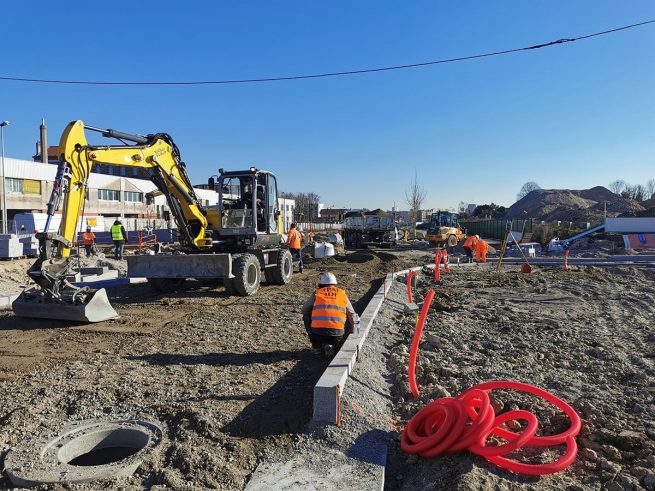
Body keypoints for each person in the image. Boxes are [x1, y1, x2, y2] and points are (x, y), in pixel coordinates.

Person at [301, 272, 356, 355]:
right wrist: (354, 331)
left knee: (306, 316)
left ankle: (316, 347)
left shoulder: (317, 293)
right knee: (348, 316)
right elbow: (353, 314)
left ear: (321, 283)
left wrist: (315, 310)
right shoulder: (342, 293)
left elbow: (304, 310)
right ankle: (335, 345)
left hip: (318, 335)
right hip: (337, 336)